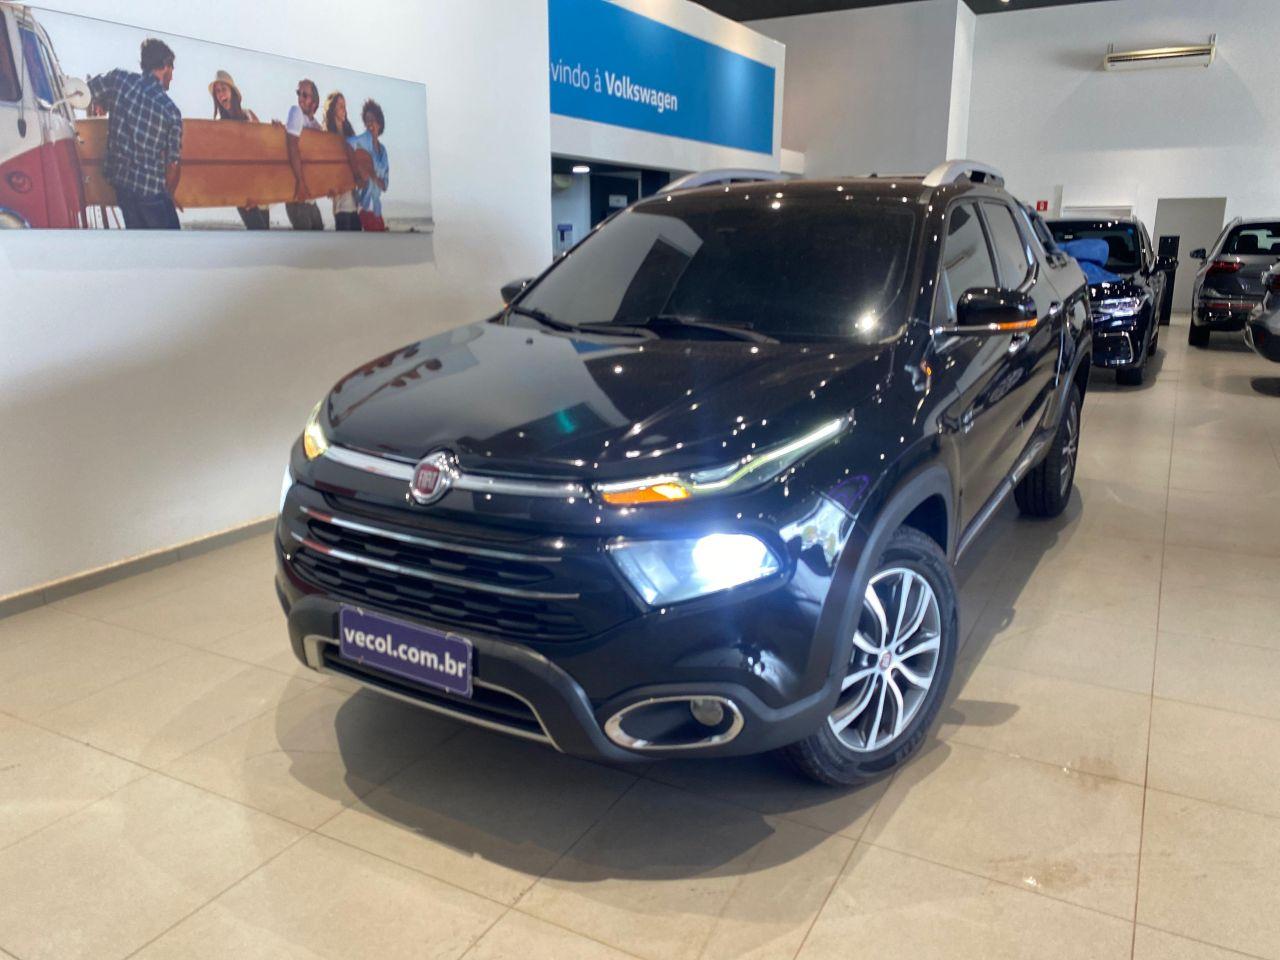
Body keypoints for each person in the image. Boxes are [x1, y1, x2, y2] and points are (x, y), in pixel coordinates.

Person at [87, 38, 183, 230]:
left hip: (123, 187)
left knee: (139, 242)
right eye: (172, 69)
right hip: (151, 193)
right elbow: (173, 164)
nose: (172, 77)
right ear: (165, 65)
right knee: (173, 245)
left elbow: (84, 92)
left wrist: (100, 104)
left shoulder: (119, 80)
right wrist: (170, 195)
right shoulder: (171, 111)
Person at [209, 70, 269, 230]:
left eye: (223, 89)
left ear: (232, 92)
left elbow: (264, 146)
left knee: (266, 236)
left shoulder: (248, 115)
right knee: (259, 232)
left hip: (259, 185)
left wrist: (274, 129)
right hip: (241, 189)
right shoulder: (218, 125)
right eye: (217, 91)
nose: (221, 94)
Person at [284, 78, 324, 230]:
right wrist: (300, 182)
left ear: (314, 101)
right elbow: (292, 145)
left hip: (310, 198)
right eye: (299, 93)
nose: (300, 98)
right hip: (298, 196)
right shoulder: (296, 112)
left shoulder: (316, 125)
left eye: (305, 95)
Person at [323, 91, 362, 231]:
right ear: (332, 109)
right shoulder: (327, 137)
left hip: (355, 204)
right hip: (341, 206)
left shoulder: (349, 134)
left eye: (345, 106)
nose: (344, 109)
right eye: (340, 106)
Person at [349, 99, 389, 232]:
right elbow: (346, 143)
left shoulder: (383, 151)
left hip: (377, 210)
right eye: (367, 120)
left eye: (372, 120)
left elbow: (385, 186)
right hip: (364, 207)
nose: (369, 123)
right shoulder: (362, 141)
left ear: (379, 123)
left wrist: (374, 176)